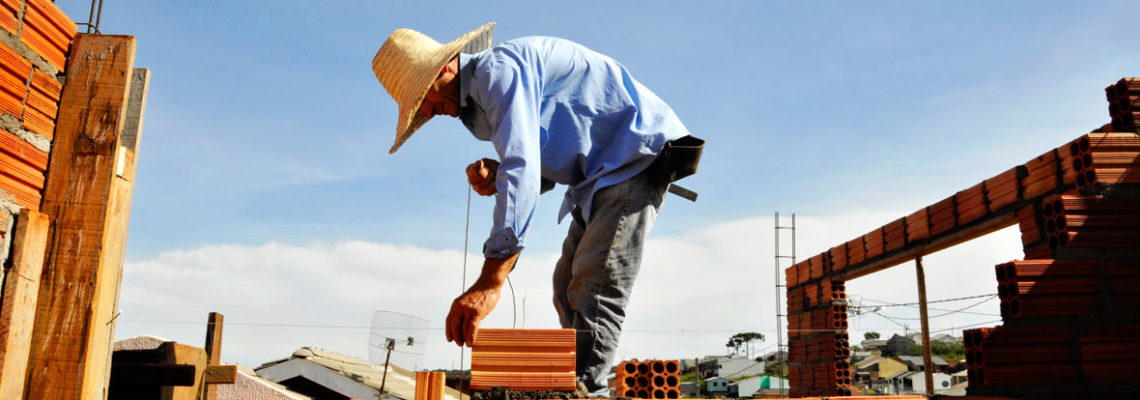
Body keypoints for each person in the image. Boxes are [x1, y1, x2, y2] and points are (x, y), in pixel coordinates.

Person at [371, 22, 698, 396]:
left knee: (595, 284)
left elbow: (522, 170)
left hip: (634, 156)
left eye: (423, 100)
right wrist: (501, 173)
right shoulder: (479, 104)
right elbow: (533, 163)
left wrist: (490, 281)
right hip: (598, 176)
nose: (428, 113)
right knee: (564, 286)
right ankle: (572, 381)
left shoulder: (498, 72)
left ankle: (582, 389)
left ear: (445, 69)